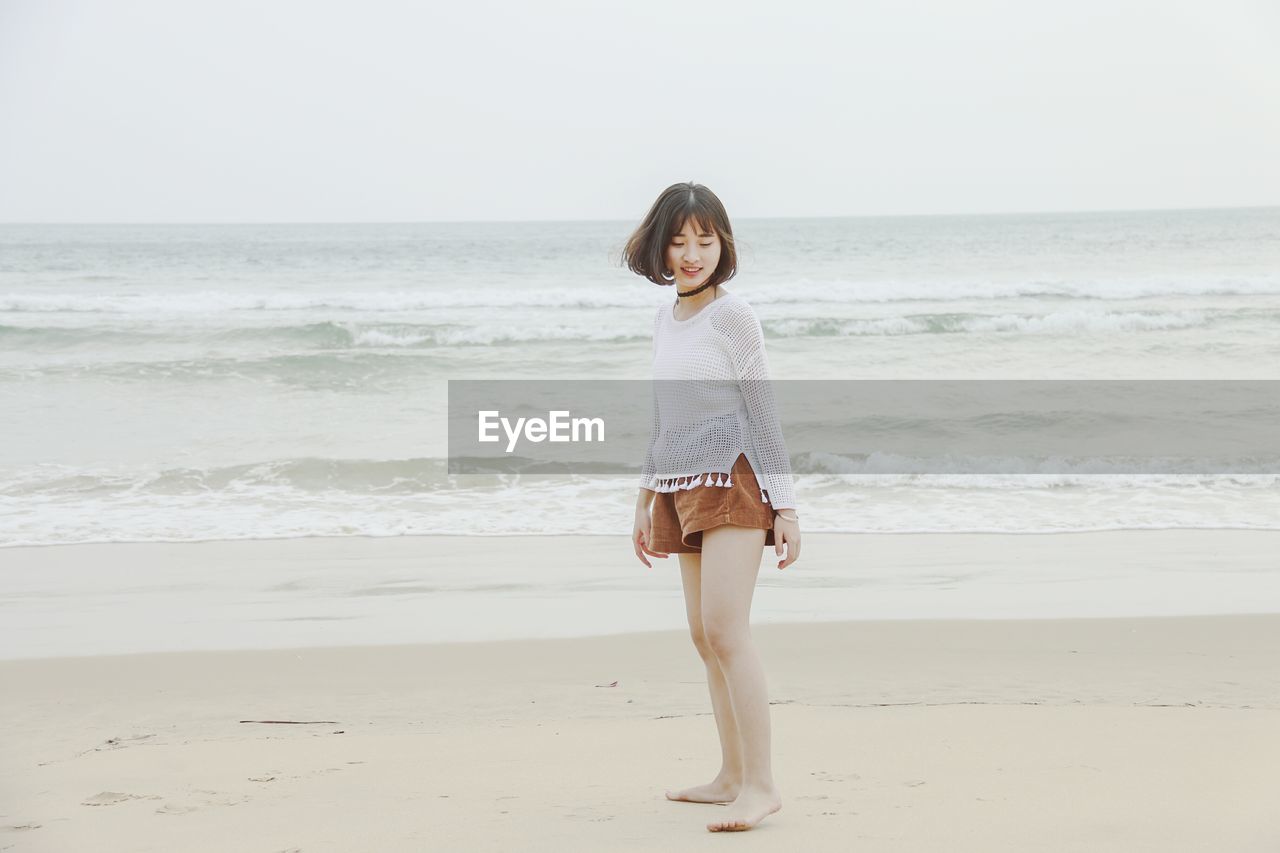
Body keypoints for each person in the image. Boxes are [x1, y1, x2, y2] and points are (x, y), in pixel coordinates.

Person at [622, 181, 801, 833]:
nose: (692, 252)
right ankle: (729, 774)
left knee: (728, 629)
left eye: (705, 238)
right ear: (660, 248)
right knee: (704, 638)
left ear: (722, 242)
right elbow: (663, 417)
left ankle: (761, 783)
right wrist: (645, 496)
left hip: (734, 479)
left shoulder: (734, 317)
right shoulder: (667, 320)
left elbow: (763, 412)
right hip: (681, 483)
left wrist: (787, 507)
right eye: (679, 239)